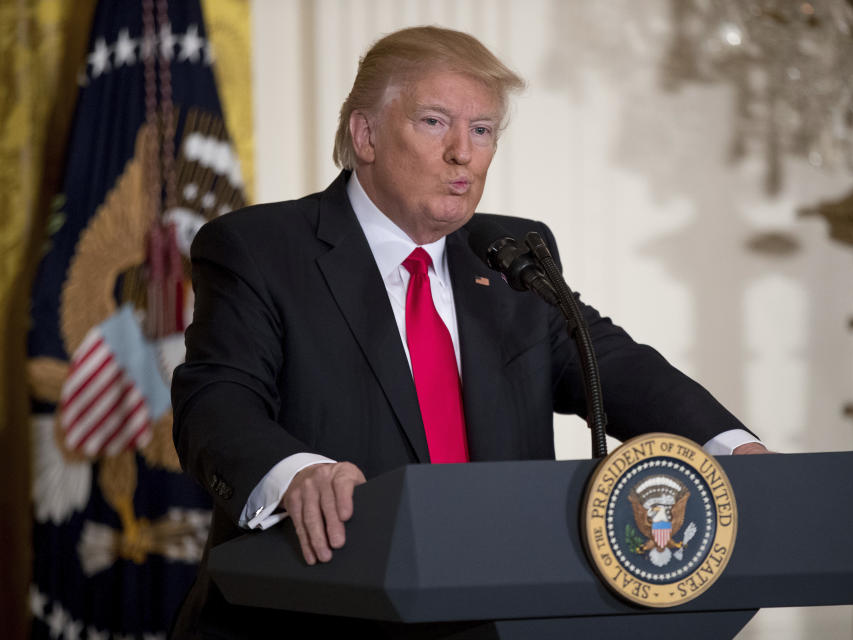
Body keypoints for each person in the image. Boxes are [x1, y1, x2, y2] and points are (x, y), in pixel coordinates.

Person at [171, 25, 767, 638]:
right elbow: (215, 400)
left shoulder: (509, 254)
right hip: (313, 615)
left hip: (494, 618)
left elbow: (610, 361)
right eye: (435, 122)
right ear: (365, 134)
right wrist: (293, 472)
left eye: (482, 130)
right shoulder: (262, 248)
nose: (464, 153)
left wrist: (729, 446)